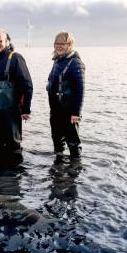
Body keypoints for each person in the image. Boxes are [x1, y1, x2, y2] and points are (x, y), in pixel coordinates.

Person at [0, 29, 33, 162]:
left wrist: (26, 109)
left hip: (11, 112)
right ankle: (1, 176)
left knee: (13, 146)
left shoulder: (16, 58)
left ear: (7, 42)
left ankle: (14, 177)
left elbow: (27, 85)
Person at [47, 31, 85, 160]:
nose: (58, 46)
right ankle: (58, 165)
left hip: (69, 111)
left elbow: (81, 89)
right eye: (56, 43)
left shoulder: (75, 63)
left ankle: (75, 167)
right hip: (56, 109)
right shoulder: (57, 61)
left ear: (69, 44)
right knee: (57, 139)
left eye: (62, 43)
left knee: (73, 141)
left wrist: (76, 112)